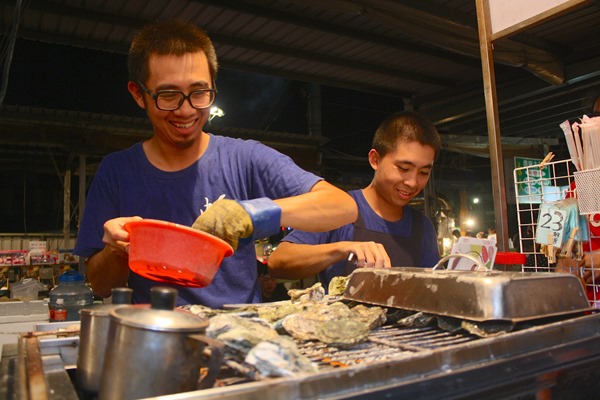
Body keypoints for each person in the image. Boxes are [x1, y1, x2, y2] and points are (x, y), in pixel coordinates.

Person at [73, 20, 357, 308]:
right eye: (168, 95)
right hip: (157, 334)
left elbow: (342, 206)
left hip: (241, 333)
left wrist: (250, 213)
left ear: (213, 88)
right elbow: (101, 285)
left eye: (199, 93)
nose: (186, 110)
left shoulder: (244, 159)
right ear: (138, 94)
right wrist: (118, 249)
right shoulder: (117, 172)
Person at [268, 111, 441, 288]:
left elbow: (433, 290)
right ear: (375, 159)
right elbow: (278, 262)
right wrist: (343, 249)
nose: (412, 182)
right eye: (404, 168)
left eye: (423, 173)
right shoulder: (341, 210)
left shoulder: (423, 228)